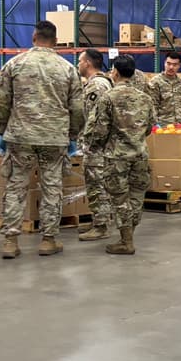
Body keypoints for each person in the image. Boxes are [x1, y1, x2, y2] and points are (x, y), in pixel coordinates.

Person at [0, 20, 85, 259]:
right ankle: (48, 239)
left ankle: (11, 241)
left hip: (20, 136)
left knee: (16, 187)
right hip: (54, 138)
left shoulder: (14, 64)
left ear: (33, 38)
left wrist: (3, 130)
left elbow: (1, 103)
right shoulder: (67, 68)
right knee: (52, 188)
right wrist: (72, 135)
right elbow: (77, 108)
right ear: (56, 42)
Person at [82, 56, 155, 255]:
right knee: (136, 196)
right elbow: (150, 127)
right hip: (140, 154)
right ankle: (130, 232)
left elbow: (100, 130)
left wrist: (96, 146)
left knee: (120, 198)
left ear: (115, 72)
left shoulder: (108, 97)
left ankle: (126, 240)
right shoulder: (145, 98)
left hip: (117, 156)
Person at [76, 48, 116, 241]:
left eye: (79, 61)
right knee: (99, 184)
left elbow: (98, 120)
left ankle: (101, 225)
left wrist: (90, 144)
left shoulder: (97, 86)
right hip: (100, 145)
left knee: (96, 184)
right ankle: (100, 220)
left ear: (88, 63)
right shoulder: (100, 83)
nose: (78, 65)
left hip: (97, 146)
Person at [150, 51, 181, 126]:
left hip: (180, 127)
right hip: (163, 127)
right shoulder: (155, 82)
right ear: (164, 63)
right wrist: (155, 124)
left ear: (179, 65)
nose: (171, 67)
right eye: (168, 63)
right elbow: (153, 106)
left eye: (175, 65)